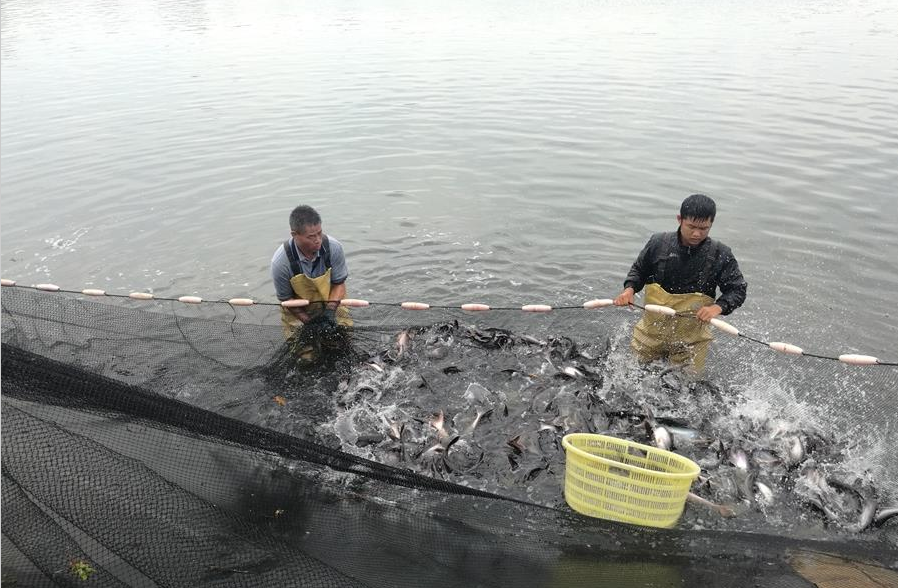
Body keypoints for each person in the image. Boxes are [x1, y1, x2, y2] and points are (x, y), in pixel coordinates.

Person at [613, 194, 747, 372]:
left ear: (711, 224)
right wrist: (629, 289)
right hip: (650, 333)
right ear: (679, 219)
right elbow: (639, 271)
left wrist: (718, 307)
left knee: (686, 389)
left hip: (692, 342)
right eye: (691, 226)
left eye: (704, 228)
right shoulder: (658, 243)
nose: (697, 233)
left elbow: (737, 289)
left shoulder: (720, 254)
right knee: (633, 375)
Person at [271, 205, 352, 340]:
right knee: (304, 353)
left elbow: (339, 283)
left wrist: (330, 311)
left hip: (332, 300)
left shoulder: (334, 247)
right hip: (299, 309)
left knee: (343, 338)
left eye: (319, 233)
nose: (318, 240)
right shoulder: (280, 263)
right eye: (311, 237)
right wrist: (310, 322)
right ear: (295, 235)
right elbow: (286, 300)